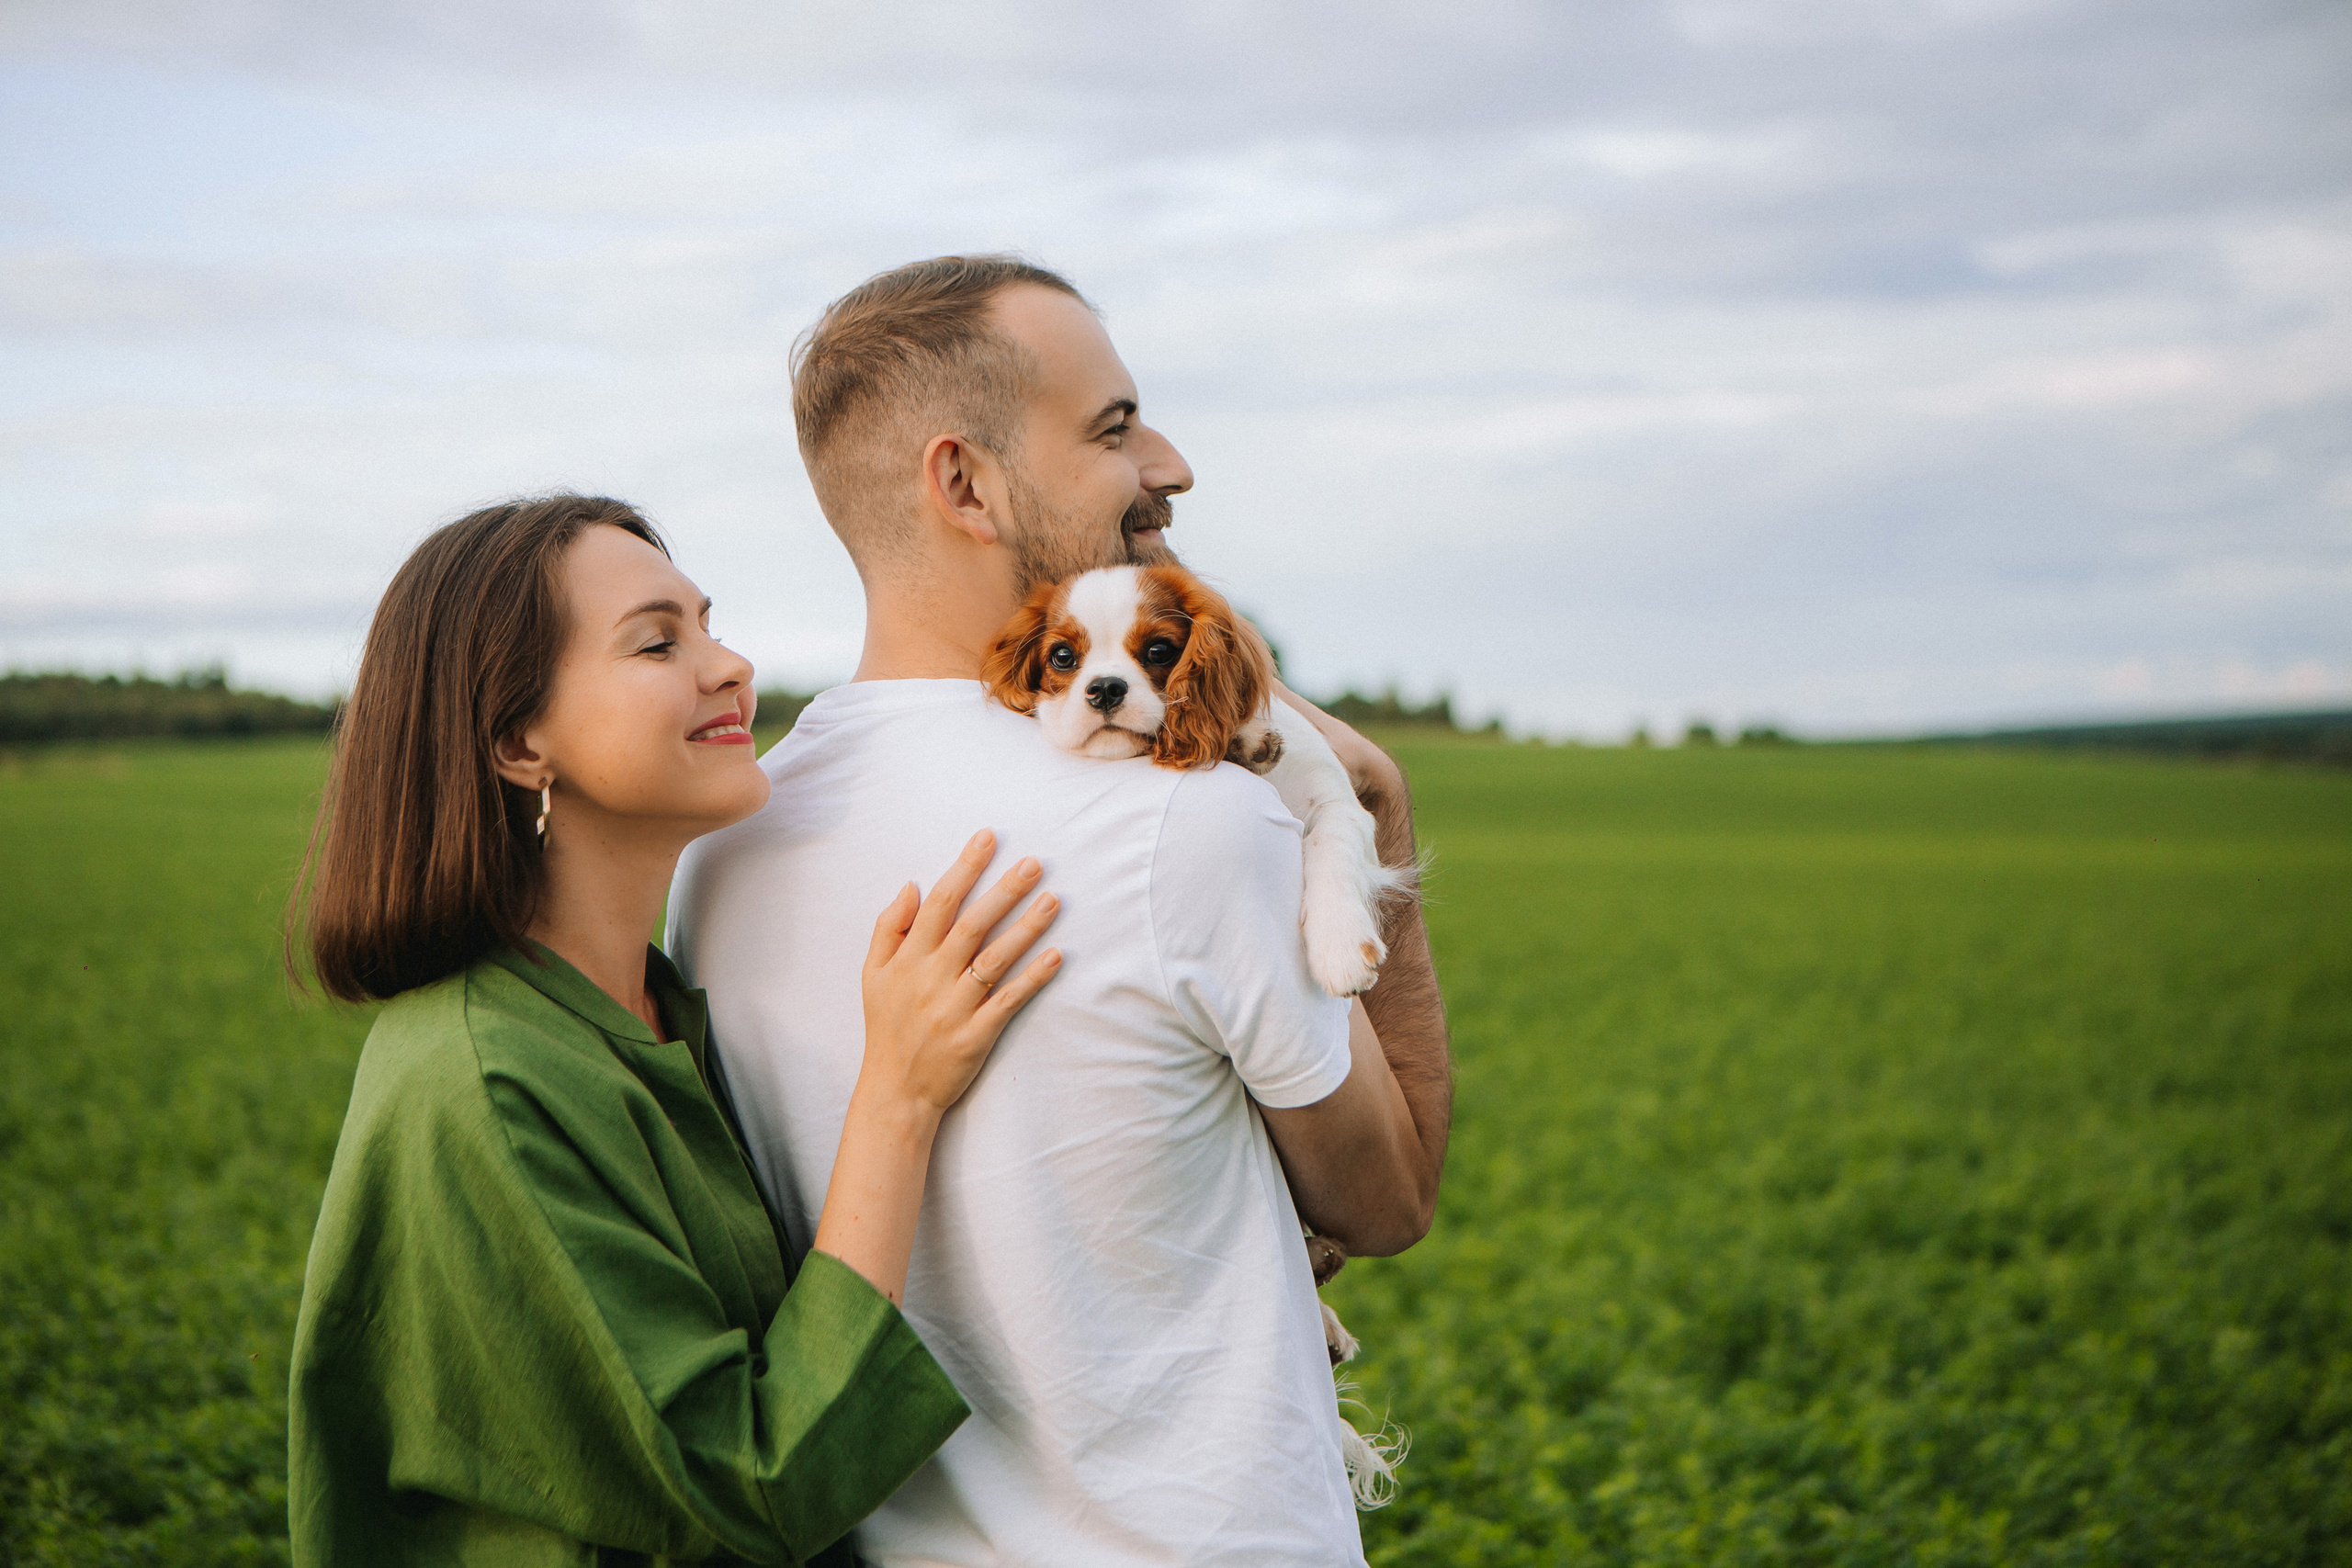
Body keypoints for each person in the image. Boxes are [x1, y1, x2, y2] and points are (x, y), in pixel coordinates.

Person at [669, 256, 1453, 1566]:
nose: (1173, 463)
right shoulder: (1192, 820)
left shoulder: (723, 846)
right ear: (961, 482)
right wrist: (1373, 810)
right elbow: (1389, 1195)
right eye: (1113, 427)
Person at [284, 492, 1066, 1565]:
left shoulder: (648, 1009)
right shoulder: (484, 1083)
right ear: (518, 741)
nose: (730, 664)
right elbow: (751, 1486)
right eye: (658, 642)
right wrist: (899, 1095)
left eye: (708, 622)